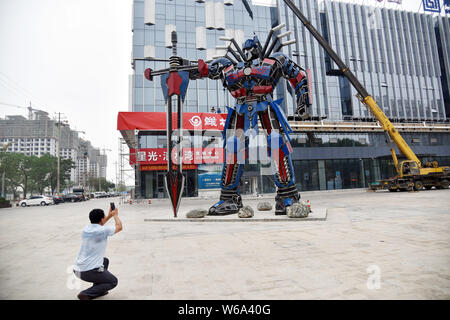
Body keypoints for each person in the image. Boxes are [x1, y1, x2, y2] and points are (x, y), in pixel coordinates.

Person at [73, 206, 123, 300]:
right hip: (88, 271)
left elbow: (101, 223)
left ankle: (99, 289)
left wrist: (109, 216)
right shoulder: (102, 231)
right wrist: (115, 215)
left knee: (105, 261)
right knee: (113, 281)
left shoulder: (86, 229)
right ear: (101, 219)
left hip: (77, 269)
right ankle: (86, 294)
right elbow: (119, 227)